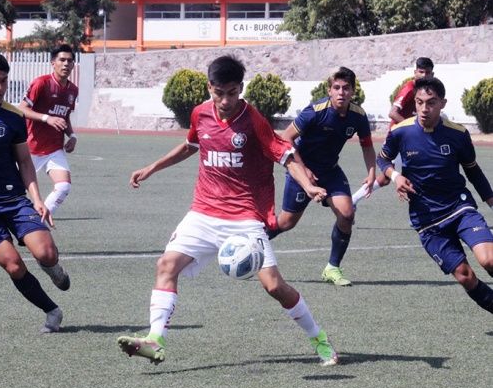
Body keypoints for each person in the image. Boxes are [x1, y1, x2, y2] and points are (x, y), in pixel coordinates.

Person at [117, 55, 338, 367]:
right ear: (210, 87)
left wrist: (308, 185)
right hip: (203, 212)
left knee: (274, 286)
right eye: (219, 93)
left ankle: (319, 338)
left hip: (245, 217)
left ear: (240, 89)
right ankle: (155, 339)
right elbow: (190, 146)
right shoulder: (200, 114)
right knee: (166, 265)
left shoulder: (253, 120)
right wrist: (152, 167)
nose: (225, 101)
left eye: (232, 93)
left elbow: (285, 154)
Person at [0, 51, 70, 333]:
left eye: (4, 81)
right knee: (14, 265)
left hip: (13, 200)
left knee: (46, 253)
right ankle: (52, 311)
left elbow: (25, 162)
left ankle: (53, 267)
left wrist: (37, 199)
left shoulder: (13, 116)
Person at [377, 76, 493, 317]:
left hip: (460, 208)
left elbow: (473, 171)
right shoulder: (400, 132)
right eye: (419, 102)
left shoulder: (458, 134)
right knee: (465, 276)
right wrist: (395, 176)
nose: (424, 109)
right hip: (427, 221)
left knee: (488, 260)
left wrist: (491, 201)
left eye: (431, 103)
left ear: (442, 103)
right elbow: (383, 159)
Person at [268, 66, 376, 287]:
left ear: (353, 91)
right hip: (302, 171)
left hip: (330, 171)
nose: (341, 92)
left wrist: (372, 172)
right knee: (287, 222)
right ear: (329, 90)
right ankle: (250, 243)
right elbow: (285, 137)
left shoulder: (358, 116)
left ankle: (332, 268)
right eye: (336, 87)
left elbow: (367, 145)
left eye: (346, 88)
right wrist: (303, 170)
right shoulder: (315, 111)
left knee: (347, 214)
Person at [352, 57, 434, 206]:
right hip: (398, 137)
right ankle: (353, 200)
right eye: (421, 72)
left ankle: (353, 200)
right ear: (415, 72)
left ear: (432, 74)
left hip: (410, 137)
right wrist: (412, 128)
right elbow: (393, 113)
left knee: (390, 177)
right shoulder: (409, 88)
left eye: (427, 73)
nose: (424, 75)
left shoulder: (428, 90)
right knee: (390, 176)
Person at [18, 44, 78, 216]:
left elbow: (65, 115)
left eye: (69, 61)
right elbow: (22, 109)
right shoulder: (41, 83)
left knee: (63, 186)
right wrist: (47, 118)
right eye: (62, 60)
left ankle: (38, 219)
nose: (66, 64)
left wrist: (72, 135)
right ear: (53, 63)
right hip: (31, 147)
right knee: (14, 191)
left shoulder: (73, 90)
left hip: (54, 148)